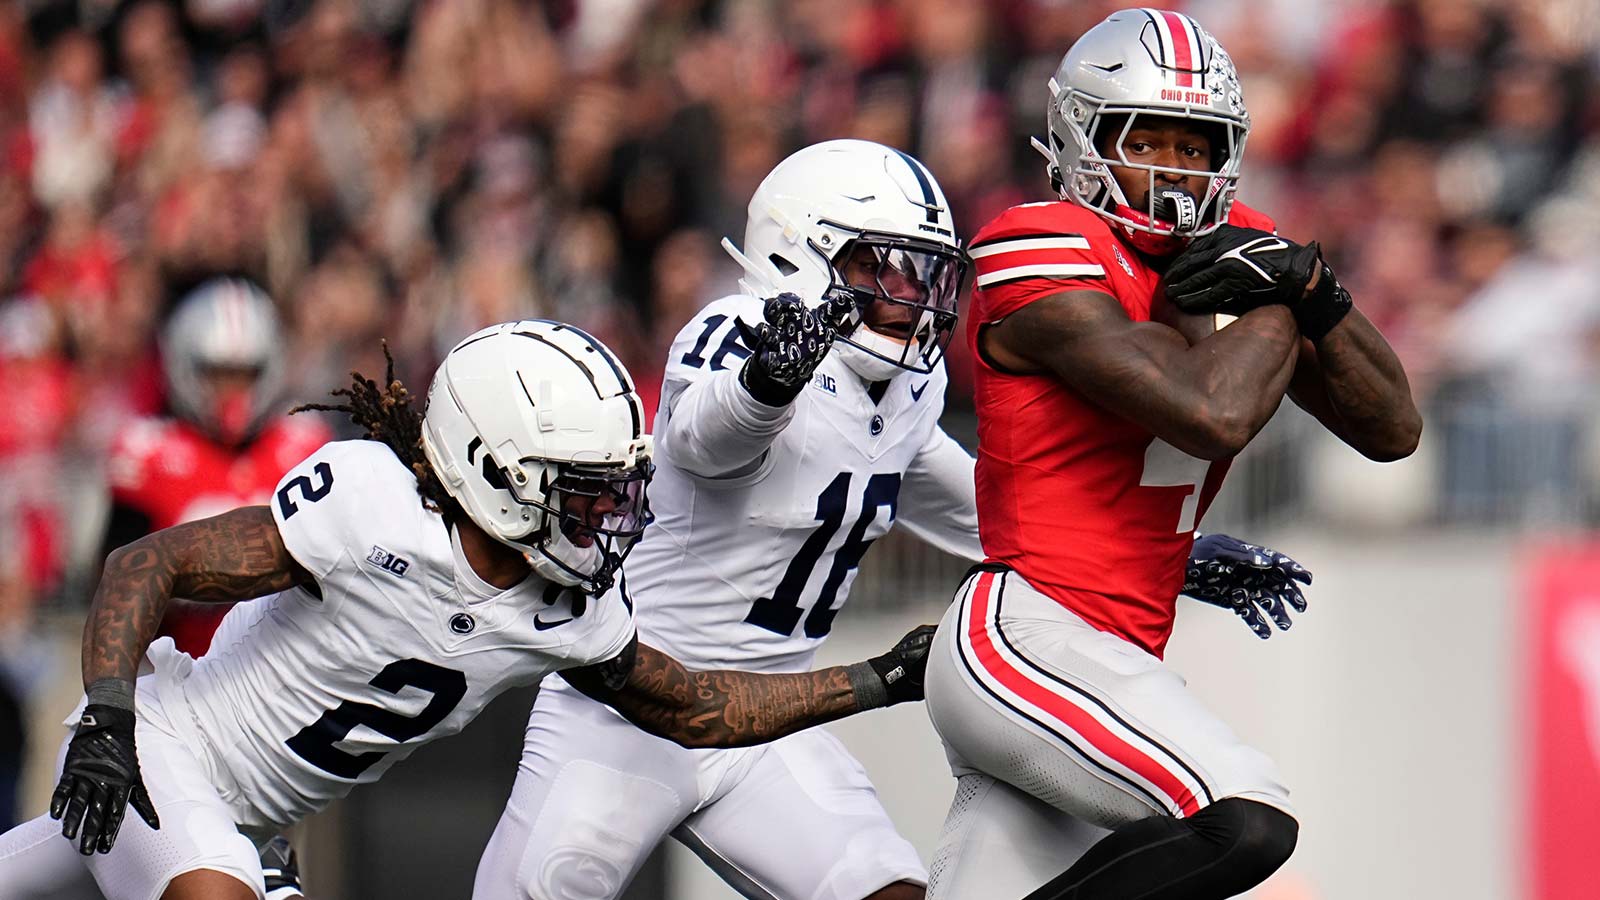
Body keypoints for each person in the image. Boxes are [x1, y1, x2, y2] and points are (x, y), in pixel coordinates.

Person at [472, 139, 1309, 900]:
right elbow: (698, 440)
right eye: (885, 269)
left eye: (925, 275)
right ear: (800, 253)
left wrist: (1172, 554)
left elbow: (988, 510)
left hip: (774, 721)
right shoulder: (739, 331)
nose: (912, 298)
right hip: (628, 707)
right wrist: (768, 384)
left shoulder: (906, 387)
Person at [0, 320, 935, 900]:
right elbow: (148, 561)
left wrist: (881, 679)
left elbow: (696, 708)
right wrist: (110, 719)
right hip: (163, 744)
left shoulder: (569, 607)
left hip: (244, 817)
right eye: (584, 493)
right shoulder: (369, 506)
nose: (607, 521)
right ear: (498, 473)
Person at [921, 9, 1422, 900]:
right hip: (1026, 633)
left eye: (1195, 147)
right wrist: (1279, 299)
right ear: (1082, 137)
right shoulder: (1039, 242)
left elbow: (1392, 429)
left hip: (1116, 657)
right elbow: (1209, 413)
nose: (1174, 170)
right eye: (1145, 141)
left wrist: (1318, 291)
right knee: (1244, 814)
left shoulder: (1244, 255)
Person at [103, 278, 330, 656]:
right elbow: (114, 588)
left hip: (286, 667)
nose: (232, 391)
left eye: (244, 374)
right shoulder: (148, 452)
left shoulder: (304, 444)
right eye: (219, 374)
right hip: (180, 669)